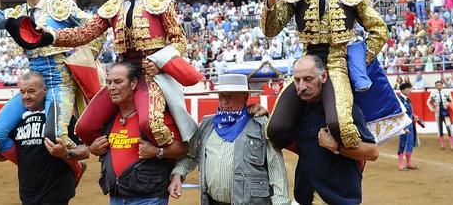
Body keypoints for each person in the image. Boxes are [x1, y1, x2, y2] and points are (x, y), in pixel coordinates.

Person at [42, 0, 196, 149]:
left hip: (152, 76)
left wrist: (160, 63)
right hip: (123, 75)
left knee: (153, 124)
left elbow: (179, 40)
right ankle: (111, 154)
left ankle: (173, 157)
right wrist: (51, 35)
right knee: (85, 127)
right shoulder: (111, 7)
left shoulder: (161, 2)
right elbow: (84, 34)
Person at [261, 0, 395, 149]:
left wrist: (356, 60)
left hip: (337, 65)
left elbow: (380, 30)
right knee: (275, 129)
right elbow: (270, 31)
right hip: (306, 66)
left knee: (341, 127)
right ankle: (310, 151)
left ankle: (345, 158)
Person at [0, 0, 101, 165]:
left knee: (55, 137)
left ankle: (75, 168)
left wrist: (86, 58)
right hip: (33, 83)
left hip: (61, 80)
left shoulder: (61, 8)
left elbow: (96, 27)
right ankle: (28, 169)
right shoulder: (15, 15)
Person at [168, 74, 290, 205]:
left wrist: (281, 202)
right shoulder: (207, 124)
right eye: (221, 96)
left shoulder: (260, 123)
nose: (224, 102)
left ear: (245, 97)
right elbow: (192, 155)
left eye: (230, 96)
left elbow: (275, 167)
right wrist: (178, 174)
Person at [0, 72, 89, 205]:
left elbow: (85, 151)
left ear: (45, 91)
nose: (26, 96)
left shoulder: (60, 118)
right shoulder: (16, 122)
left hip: (56, 192)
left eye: (31, 91)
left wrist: (67, 154)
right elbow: (5, 157)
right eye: (22, 92)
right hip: (28, 193)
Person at [88, 62, 188, 204]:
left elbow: (183, 148)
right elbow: (94, 147)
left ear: (134, 83)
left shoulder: (155, 116)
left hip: (148, 198)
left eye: (118, 82)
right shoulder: (108, 118)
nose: (111, 88)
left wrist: (158, 152)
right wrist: (93, 149)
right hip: (116, 196)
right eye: (109, 83)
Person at [287, 55, 378, 204]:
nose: (301, 86)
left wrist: (337, 147)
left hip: (338, 198)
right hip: (304, 196)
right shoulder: (298, 111)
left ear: (323, 77)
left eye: (308, 79)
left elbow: (372, 152)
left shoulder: (346, 110)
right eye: (297, 80)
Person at [397, 82, 424, 171]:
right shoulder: (399, 100)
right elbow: (398, 114)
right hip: (404, 125)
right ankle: (400, 164)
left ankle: (408, 163)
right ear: (403, 90)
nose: (410, 91)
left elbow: (409, 113)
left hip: (411, 124)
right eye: (408, 89)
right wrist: (403, 127)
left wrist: (414, 117)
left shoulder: (407, 100)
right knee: (403, 143)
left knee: (410, 143)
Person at [426, 80, 453, 150]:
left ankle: (452, 145)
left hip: (446, 113)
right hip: (438, 114)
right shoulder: (433, 93)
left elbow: (452, 101)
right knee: (440, 129)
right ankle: (442, 145)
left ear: (442, 85)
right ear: (435, 86)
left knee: (449, 128)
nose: (439, 86)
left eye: (440, 85)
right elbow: (428, 102)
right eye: (437, 85)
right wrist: (432, 109)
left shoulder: (447, 92)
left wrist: (448, 105)